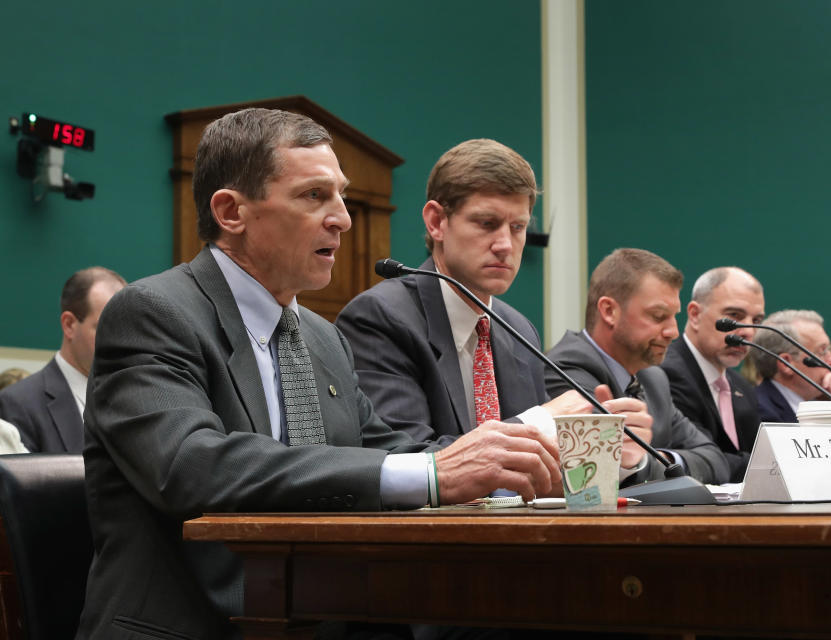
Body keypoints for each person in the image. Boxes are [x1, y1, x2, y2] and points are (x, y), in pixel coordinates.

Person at [76, 109, 562, 640]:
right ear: (230, 211)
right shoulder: (152, 312)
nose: (343, 219)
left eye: (341, 196)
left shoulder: (321, 336)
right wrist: (432, 474)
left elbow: (386, 448)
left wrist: (500, 466)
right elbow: (192, 466)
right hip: (197, 624)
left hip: (322, 616)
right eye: (314, 196)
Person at [336, 139, 615, 448]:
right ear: (436, 222)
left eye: (518, 227)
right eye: (487, 223)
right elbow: (406, 456)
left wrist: (605, 449)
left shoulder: (519, 330)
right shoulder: (381, 318)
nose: (505, 245)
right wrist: (536, 423)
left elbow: (545, 463)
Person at [544, 249, 730, 484]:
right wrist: (648, 464)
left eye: (674, 316)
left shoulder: (654, 378)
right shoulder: (565, 368)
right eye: (658, 315)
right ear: (609, 311)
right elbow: (601, 469)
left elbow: (715, 460)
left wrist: (660, 459)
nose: (673, 332)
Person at [0, 267, 125, 453]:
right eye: (106, 327)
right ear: (69, 325)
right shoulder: (18, 405)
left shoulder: (136, 397)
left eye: (126, 328)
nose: (120, 341)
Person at [659, 267, 763, 482]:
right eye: (734, 316)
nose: (748, 332)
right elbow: (704, 460)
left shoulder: (740, 386)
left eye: (756, 321)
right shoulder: (666, 374)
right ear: (695, 315)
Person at [748, 309, 831, 423]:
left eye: (828, 349)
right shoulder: (760, 413)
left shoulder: (818, 407)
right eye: (822, 351)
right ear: (786, 364)